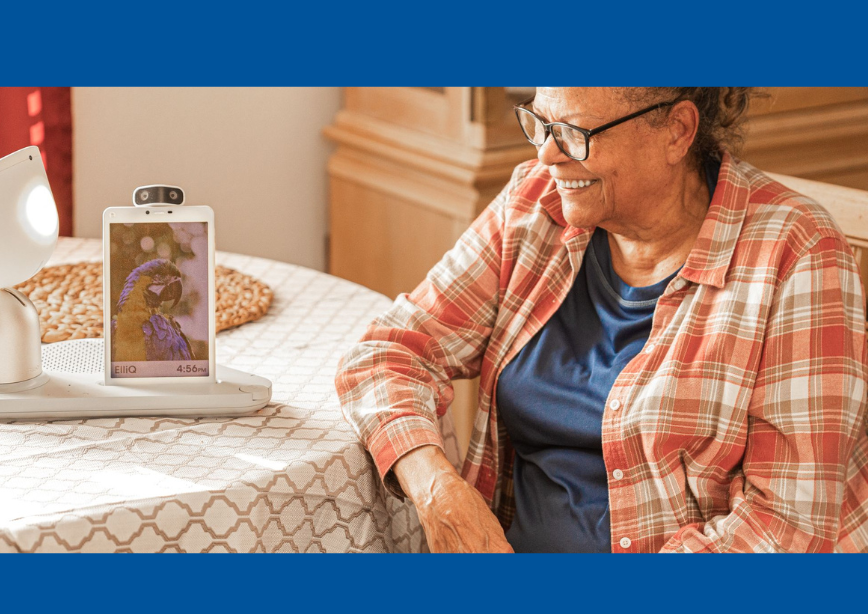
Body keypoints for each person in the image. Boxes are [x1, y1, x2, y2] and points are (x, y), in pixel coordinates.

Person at [335, 87, 868, 553]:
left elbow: (788, 528)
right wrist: (439, 493)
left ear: (677, 131)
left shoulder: (796, 253)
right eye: (540, 123)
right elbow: (388, 353)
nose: (546, 155)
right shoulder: (534, 204)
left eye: (572, 132)